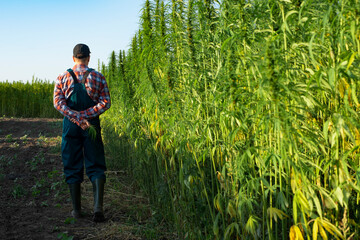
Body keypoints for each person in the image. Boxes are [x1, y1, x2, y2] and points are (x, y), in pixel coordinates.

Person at [53, 43, 111, 222]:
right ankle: (97, 209)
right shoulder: (98, 76)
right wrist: (86, 116)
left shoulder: (62, 77)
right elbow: (106, 102)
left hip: (71, 125)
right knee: (96, 163)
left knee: (71, 163)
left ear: (73, 58)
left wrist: (75, 116)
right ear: (88, 58)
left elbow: (58, 103)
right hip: (91, 125)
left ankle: (76, 211)